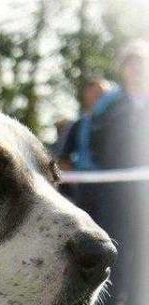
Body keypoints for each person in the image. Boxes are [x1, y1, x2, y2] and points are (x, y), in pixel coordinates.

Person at [88, 41, 149, 305]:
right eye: (132, 63)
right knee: (112, 267)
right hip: (115, 197)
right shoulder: (109, 105)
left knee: (142, 269)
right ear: (124, 68)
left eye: (142, 63)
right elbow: (91, 141)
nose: (137, 69)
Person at [59, 78, 112, 210]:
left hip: (115, 187)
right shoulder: (79, 125)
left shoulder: (119, 123)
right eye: (93, 94)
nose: (97, 98)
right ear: (86, 97)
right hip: (86, 188)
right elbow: (64, 159)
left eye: (101, 94)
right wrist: (76, 182)